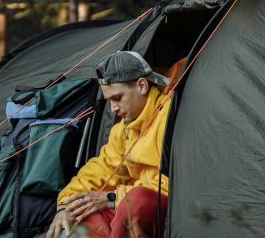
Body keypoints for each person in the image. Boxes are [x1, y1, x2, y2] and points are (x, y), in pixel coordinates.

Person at [45, 51, 173, 238]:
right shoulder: (124, 129)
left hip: (166, 206)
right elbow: (102, 168)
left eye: (118, 98)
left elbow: (178, 181)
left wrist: (114, 198)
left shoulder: (169, 116)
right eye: (109, 100)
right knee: (86, 217)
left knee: (135, 201)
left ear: (142, 86)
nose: (113, 108)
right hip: (130, 205)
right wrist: (65, 206)